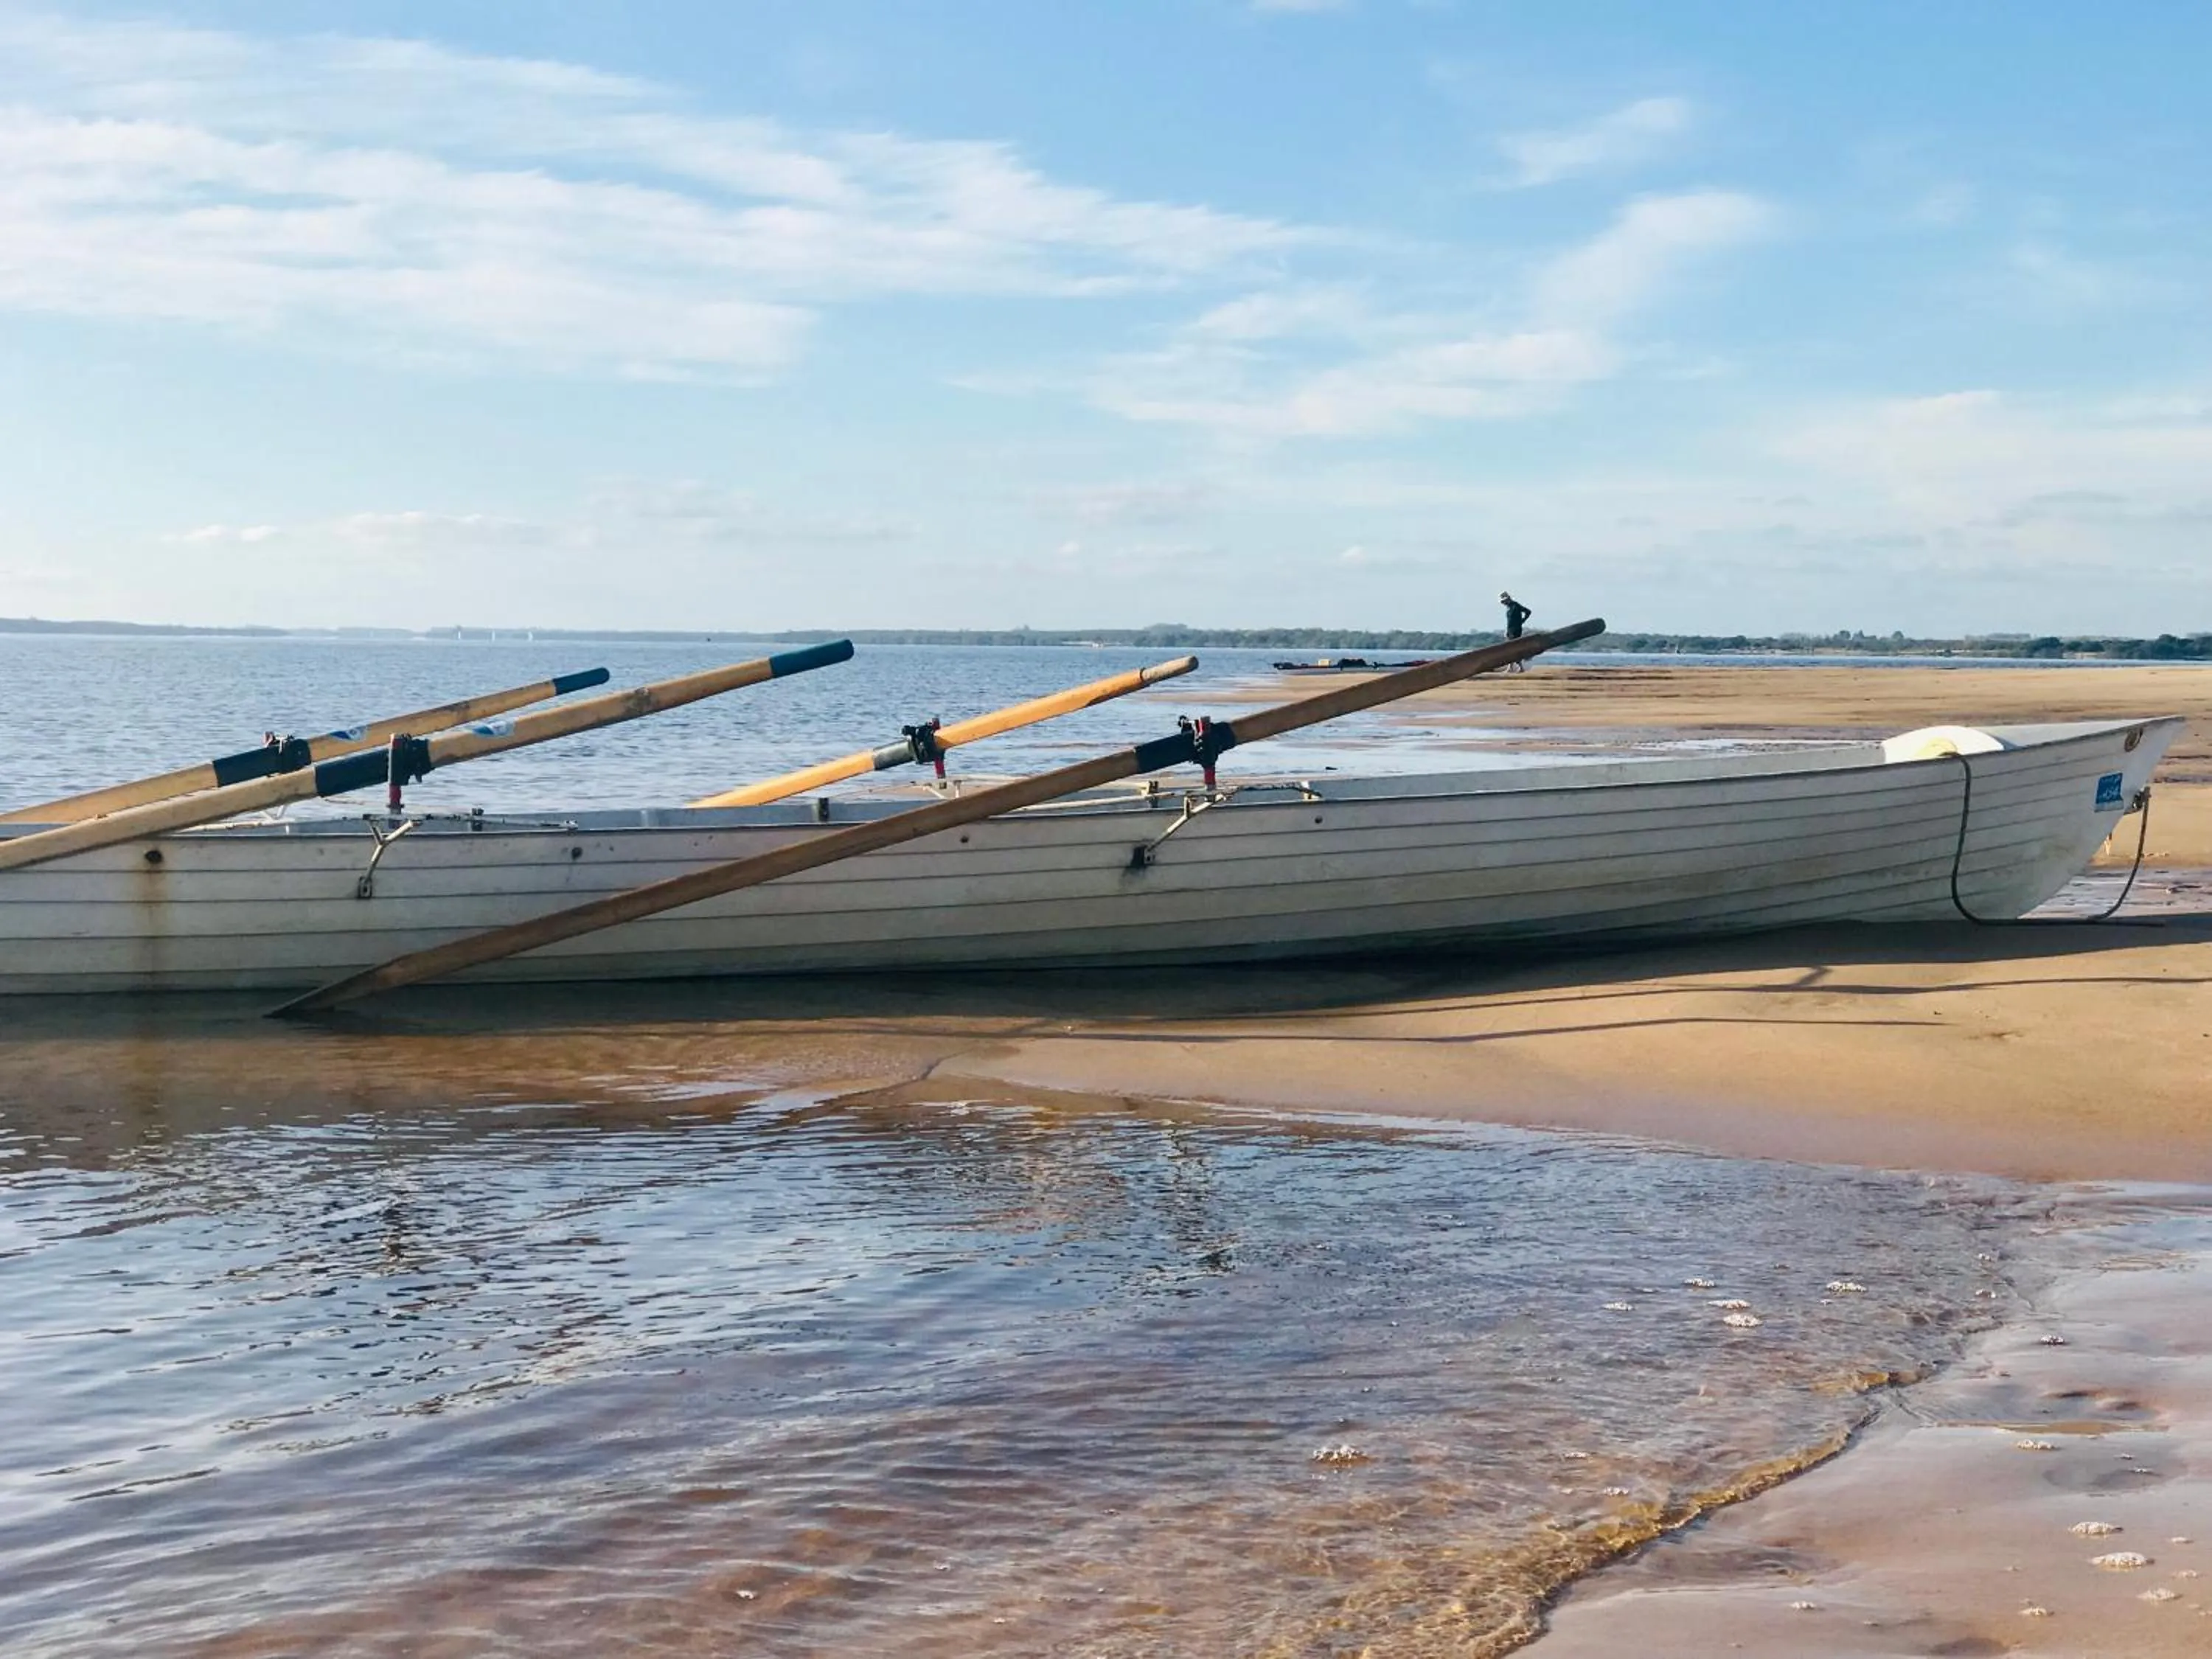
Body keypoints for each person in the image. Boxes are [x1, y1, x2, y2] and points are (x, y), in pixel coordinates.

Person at [1500, 591, 1532, 671]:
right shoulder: (1509, 607)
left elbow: (1528, 611)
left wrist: (1522, 621)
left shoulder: (1515, 606)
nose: (1503, 604)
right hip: (1510, 630)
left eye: (1504, 602)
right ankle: (1511, 667)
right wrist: (1507, 631)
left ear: (1508, 600)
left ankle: (1518, 668)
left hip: (1516, 630)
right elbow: (1509, 621)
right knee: (1510, 649)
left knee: (1514, 649)